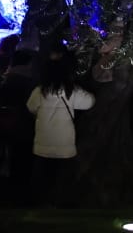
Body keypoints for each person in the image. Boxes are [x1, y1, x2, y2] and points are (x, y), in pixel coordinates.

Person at [27, 46, 95, 207]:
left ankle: (42, 204)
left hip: (43, 143)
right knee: (63, 178)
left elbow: (30, 106)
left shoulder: (40, 91)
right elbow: (89, 102)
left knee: (43, 177)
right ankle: (62, 203)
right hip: (64, 145)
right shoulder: (72, 91)